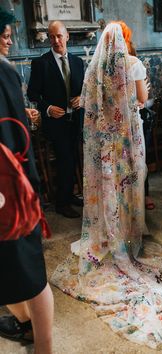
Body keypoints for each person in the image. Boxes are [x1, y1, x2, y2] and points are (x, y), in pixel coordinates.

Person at [53, 22, 162, 349]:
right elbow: (142, 100)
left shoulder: (94, 70)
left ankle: (106, 236)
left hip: (103, 146)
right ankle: (128, 238)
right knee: (128, 190)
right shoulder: (133, 65)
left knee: (106, 193)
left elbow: (88, 109)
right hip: (127, 143)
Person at [0, 7, 53, 353]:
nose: (9, 41)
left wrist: (32, 192)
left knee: (31, 275)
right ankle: (23, 323)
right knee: (14, 271)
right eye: (4, 36)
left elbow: (17, 140)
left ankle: (44, 345)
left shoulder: (3, 72)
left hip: (11, 192)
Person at [27, 20, 84, 218]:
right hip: (55, 123)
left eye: (59, 36)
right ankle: (62, 203)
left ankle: (70, 194)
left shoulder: (78, 62)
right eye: (52, 37)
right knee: (65, 160)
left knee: (75, 158)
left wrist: (82, 99)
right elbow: (32, 94)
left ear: (67, 36)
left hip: (76, 120)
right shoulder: (41, 63)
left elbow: (84, 90)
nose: (56, 40)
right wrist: (48, 108)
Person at [117, 20, 155, 210]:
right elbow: (142, 95)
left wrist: (140, 99)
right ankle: (134, 210)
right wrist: (142, 95)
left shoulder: (99, 67)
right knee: (135, 163)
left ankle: (124, 207)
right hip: (130, 123)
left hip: (113, 126)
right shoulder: (133, 62)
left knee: (119, 167)